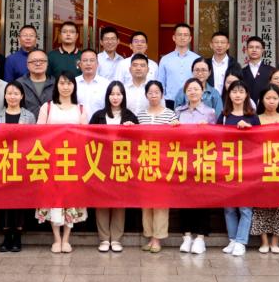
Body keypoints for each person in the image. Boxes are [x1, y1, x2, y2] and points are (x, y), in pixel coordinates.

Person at [35, 72, 88, 253]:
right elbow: (38, 134)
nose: (65, 87)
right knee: (54, 199)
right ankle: (56, 239)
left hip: (73, 162)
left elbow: (85, 137)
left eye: (69, 83)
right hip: (51, 161)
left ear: (74, 86)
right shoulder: (47, 107)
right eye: (62, 83)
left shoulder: (80, 109)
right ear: (56, 86)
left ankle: (66, 239)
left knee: (70, 199)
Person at [89, 81, 138, 252]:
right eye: (112, 94)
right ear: (107, 96)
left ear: (123, 96)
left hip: (122, 165)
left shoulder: (130, 116)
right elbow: (88, 138)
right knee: (101, 201)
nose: (115, 97)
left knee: (119, 201)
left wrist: (133, 129)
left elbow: (138, 143)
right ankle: (104, 238)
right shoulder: (98, 116)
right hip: (101, 164)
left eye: (118, 94)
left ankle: (116, 238)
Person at [212, 80, 259, 256]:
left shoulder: (252, 116)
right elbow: (215, 138)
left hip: (247, 167)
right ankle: (232, 239)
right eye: (234, 91)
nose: (237, 95)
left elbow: (260, 141)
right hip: (227, 165)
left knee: (245, 207)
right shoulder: (224, 116)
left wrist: (249, 129)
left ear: (246, 95)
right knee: (229, 206)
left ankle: (241, 241)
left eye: (241, 91)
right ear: (229, 95)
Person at [251, 85, 279, 254]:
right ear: (262, 100)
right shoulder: (256, 119)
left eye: (275, 98)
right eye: (268, 98)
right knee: (260, 205)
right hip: (261, 168)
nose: (271, 101)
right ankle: (264, 241)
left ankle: (275, 241)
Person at [136, 80, 178, 253]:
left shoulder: (170, 114)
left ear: (162, 94)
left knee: (160, 202)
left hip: (163, 164)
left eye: (157, 92)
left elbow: (177, 137)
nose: (153, 95)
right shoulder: (140, 115)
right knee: (146, 202)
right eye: (150, 92)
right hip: (145, 163)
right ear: (146, 95)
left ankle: (157, 239)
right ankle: (149, 235)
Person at [0, 82, 36, 252]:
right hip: (3, 164)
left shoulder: (29, 116)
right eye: (9, 93)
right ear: (5, 96)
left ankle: (17, 237)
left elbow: (34, 140)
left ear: (22, 96)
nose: (12, 96)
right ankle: (6, 237)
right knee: (4, 201)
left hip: (22, 164)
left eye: (16, 93)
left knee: (19, 201)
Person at [157, 23, 199, 107]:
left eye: (185, 35)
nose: (182, 38)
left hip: (191, 102)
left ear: (190, 38)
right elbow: (160, 83)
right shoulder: (165, 59)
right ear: (174, 38)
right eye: (179, 35)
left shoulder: (197, 59)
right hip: (170, 102)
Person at [15, 48, 55, 117]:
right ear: (27, 65)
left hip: (50, 122)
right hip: (25, 122)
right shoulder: (18, 84)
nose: (38, 64)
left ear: (47, 63)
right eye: (33, 61)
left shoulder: (56, 83)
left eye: (42, 61)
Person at [240, 35, 275, 104]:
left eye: (257, 47)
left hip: (266, 107)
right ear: (246, 50)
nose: (254, 50)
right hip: (246, 107)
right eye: (251, 47)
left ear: (263, 50)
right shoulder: (241, 72)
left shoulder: (272, 71)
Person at [75, 49, 109, 117]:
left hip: (99, 123)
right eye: (85, 60)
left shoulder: (106, 84)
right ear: (80, 64)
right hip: (77, 123)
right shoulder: (73, 83)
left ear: (97, 64)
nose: (88, 63)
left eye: (92, 60)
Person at [206, 30, 240, 94]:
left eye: (223, 42)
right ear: (211, 45)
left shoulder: (235, 65)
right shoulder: (205, 64)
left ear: (228, 46)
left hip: (228, 99)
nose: (219, 45)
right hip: (209, 99)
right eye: (216, 42)